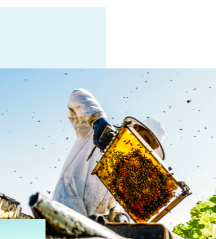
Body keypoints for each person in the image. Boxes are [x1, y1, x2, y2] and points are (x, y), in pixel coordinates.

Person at [52, 89, 167, 222]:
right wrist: (97, 120)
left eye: (149, 148)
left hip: (93, 227)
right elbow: (77, 95)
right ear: (135, 127)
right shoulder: (91, 132)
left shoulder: (128, 171)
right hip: (66, 209)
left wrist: (120, 215)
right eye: (146, 139)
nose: (144, 148)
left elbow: (116, 203)